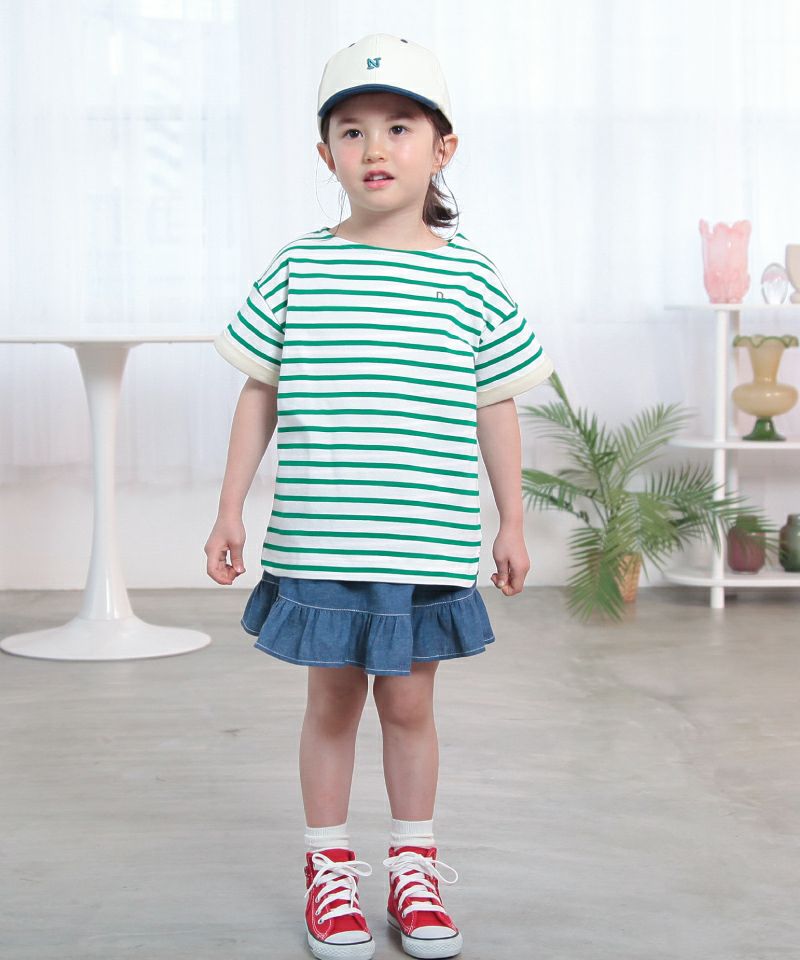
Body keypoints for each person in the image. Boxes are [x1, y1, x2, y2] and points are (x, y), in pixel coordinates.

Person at [205, 33, 555, 960]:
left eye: (399, 127)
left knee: (407, 708)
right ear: (326, 155)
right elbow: (259, 393)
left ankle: (413, 866)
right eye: (352, 131)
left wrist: (513, 520)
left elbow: (495, 403)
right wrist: (230, 507)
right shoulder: (300, 266)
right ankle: (328, 869)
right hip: (320, 539)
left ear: (442, 148)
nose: (375, 148)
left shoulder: (468, 274)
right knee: (332, 705)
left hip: (424, 542)